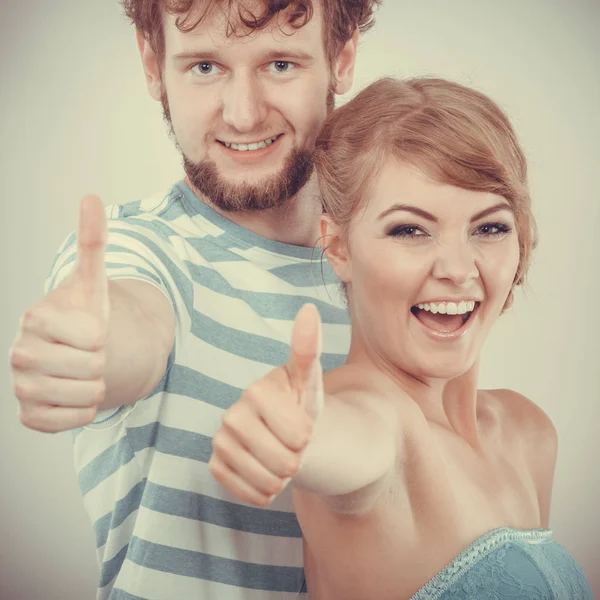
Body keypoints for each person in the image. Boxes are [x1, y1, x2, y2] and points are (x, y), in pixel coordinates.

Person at [8, 0, 382, 598]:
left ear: (342, 59)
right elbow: (132, 325)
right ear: (153, 64)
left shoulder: (389, 260)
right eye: (205, 68)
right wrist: (88, 355)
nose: (243, 113)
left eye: (281, 64)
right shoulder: (140, 250)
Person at [209, 77, 594, 599]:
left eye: (490, 228)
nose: (458, 269)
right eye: (410, 230)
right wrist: (293, 436)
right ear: (338, 247)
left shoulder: (529, 434)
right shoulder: (368, 414)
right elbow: (350, 442)